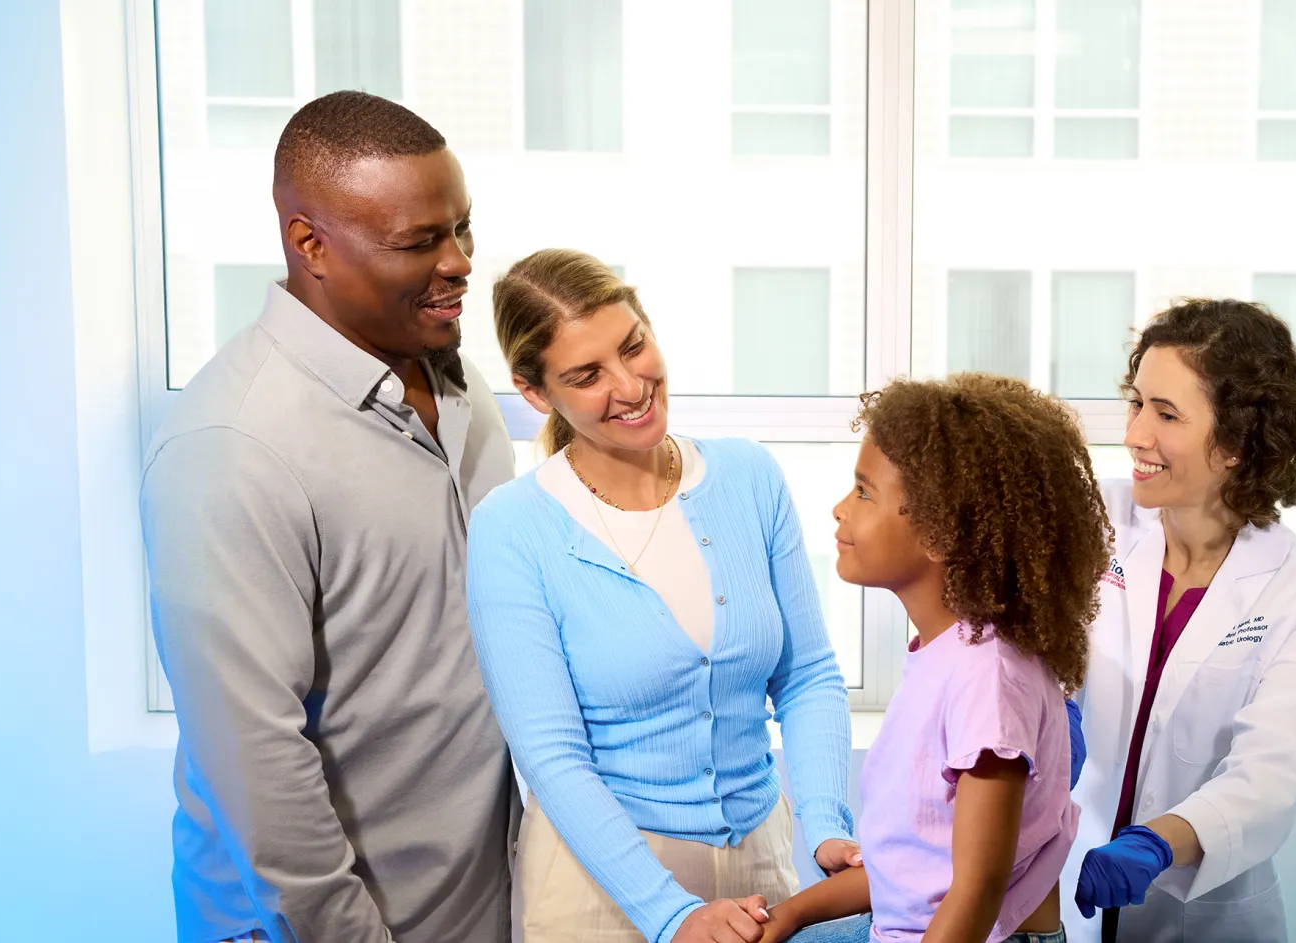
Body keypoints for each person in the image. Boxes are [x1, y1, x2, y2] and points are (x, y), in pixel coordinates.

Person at [140, 91, 516, 943]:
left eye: (462, 228)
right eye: (420, 241)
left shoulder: (461, 390)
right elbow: (255, 764)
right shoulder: (232, 446)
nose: (458, 262)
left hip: (471, 908)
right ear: (310, 244)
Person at [464, 249, 859, 943]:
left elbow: (808, 674)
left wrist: (827, 824)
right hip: (603, 891)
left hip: (760, 867)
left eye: (633, 346)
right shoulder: (513, 527)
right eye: (587, 375)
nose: (629, 384)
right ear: (535, 392)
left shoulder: (747, 476)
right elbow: (552, 756)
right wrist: (671, 913)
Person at [751, 374, 1111, 943]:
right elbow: (916, 870)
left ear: (941, 532)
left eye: (865, 492)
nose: (840, 509)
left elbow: (976, 891)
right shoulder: (948, 653)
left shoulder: (986, 678)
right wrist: (793, 914)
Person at [1064, 298, 1296, 943]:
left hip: (1202, 912)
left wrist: (1159, 844)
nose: (1136, 434)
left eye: (1167, 414)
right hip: (1071, 875)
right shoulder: (1094, 520)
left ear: (1238, 443)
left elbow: (1273, 769)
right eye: (1137, 404)